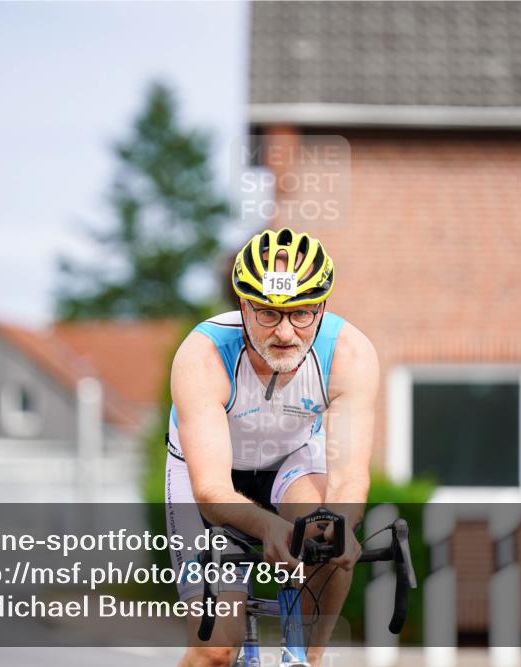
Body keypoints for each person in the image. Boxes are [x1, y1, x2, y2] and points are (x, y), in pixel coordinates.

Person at [166, 228, 380, 667]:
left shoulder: (350, 354)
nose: (285, 331)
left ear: (321, 308)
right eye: (267, 312)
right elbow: (210, 491)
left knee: (326, 527)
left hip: (292, 466)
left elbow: (349, 475)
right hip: (214, 481)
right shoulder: (202, 355)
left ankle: (305, 658)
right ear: (242, 305)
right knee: (217, 651)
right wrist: (266, 528)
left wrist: (342, 525)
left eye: (301, 313)